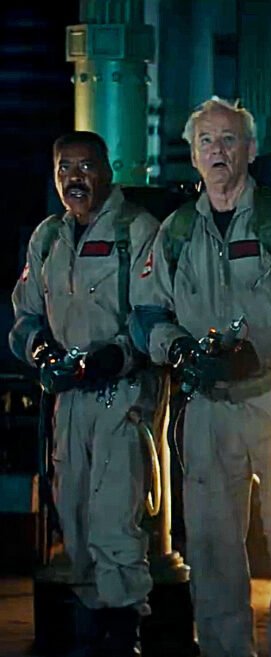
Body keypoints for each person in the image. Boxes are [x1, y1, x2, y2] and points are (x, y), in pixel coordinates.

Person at [130, 96, 271, 657]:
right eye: (207, 142)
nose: (218, 151)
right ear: (193, 155)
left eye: (228, 140)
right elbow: (146, 315)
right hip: (210, 407)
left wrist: (256, 352)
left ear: (249, 149)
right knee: (213, 549)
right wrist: (179, 350)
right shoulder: (175, 232)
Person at [11, 130, 160, 657]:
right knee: (74, 524)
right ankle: (92, 633)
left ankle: (123, 636)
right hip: (68, 401)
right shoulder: (48, 238)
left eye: (86, 166)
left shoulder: (135, 231)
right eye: (65, 168)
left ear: (107, 171)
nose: (75, 178)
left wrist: (113, 357)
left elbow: (154, 316)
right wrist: (40, 351)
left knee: (114, 523)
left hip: (120, 396)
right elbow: (25, 317)